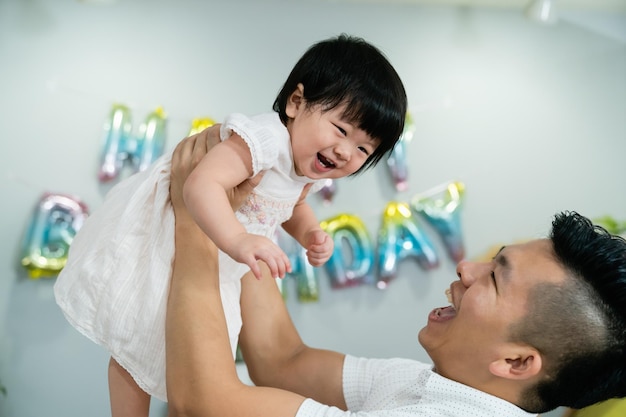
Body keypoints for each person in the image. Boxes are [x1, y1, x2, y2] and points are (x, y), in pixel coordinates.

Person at [53, 34, 407, 416]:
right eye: (341, 129)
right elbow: (200, 184)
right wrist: (239, 239)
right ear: (296, 102)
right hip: (168, 238)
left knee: (187, 354)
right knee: (136, 340)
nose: (344, 151)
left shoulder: (307, 170)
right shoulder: (264, 140)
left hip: (218, 256)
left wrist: (310, 234)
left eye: (362, 149)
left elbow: (292, 205)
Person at [165, 129, 626, 417]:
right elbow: (283, 361)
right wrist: (246, 217)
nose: (467, 268)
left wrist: (194, 219)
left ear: (517, 363)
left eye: (494, 278)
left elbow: (203, 402)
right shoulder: (430, 385)